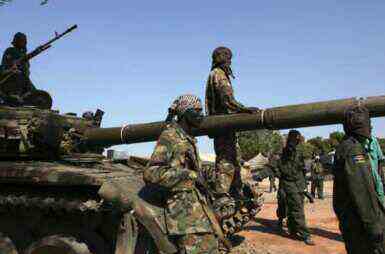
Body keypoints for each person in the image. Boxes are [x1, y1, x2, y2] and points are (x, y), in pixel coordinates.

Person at [143, 94, 219, 253]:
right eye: (197, 111)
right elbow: (151, 173)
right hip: (185, 219)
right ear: (184, 113)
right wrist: (190, 175)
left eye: (201, 110)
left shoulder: (186, 138)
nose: (201, 114)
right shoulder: (170, 136)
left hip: (197, 214)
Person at [205, 46, 258, 202]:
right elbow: (227, 100)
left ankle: (235, 193)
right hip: (223, 126)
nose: (230, 61)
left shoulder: (217, 74)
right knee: (226, 162)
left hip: (225, 126)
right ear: (221, 58)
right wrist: (244, 110)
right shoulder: (218, 74)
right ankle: (222, 197)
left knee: (233, 161)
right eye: (228, 57)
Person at [333, 105, 385, 254]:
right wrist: (374, 227)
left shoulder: (347, 146)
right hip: (360, 225)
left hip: (353, 221)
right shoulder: (354, 151)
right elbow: (362, 192)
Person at [277, 130, 314, 245]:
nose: (296, 142)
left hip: (298, 185)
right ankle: (305, 234)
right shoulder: (286, 152)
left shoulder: (299, 153)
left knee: (295, 209)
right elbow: (273, 166)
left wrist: (304, 189)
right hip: (288, 185)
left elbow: (302, 172)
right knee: (296, 209)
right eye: (295, 139)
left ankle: (293, 229)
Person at [0, 32, 52, 108]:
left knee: (35, 93)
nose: (23, 43)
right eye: (21, 41)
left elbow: (26, 71)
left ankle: (24, 99)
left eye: (24, 41)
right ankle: (13, 95)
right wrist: (12, 68)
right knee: (17, 74)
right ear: (16, 41)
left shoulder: (23, 55)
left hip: (23, 79)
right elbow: (5, 66)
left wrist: (37, 51)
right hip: (8, 79)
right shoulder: (10, 50)